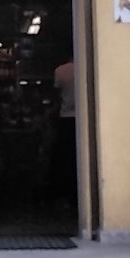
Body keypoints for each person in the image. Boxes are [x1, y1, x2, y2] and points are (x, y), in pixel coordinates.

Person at [52, 56, 78, 211]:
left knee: (65, 158)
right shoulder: (84, 68)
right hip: (82, 118)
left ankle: (65, 196)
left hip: (65, 117)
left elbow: (57, 96)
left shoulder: (60, 71)